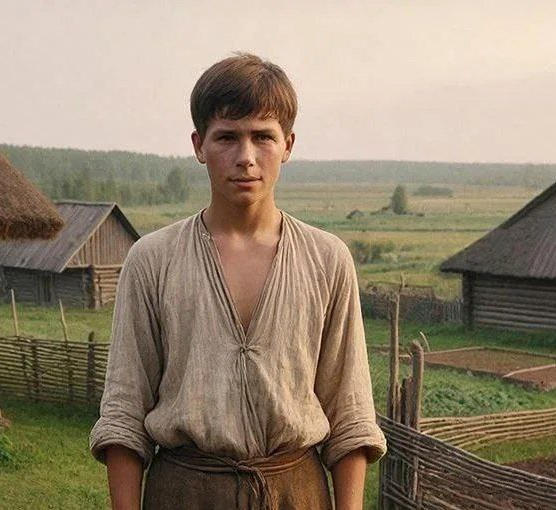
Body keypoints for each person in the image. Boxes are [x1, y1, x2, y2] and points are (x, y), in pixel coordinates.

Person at [89, 53, 386, 510]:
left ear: (288, 145)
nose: (246, 158)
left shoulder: (327, 260)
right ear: (199, 145)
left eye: (262, 136)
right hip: (184, 493)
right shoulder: (152, 260)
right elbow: (124, 414)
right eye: (227, 137)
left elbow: (350, 415)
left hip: (297, 493)